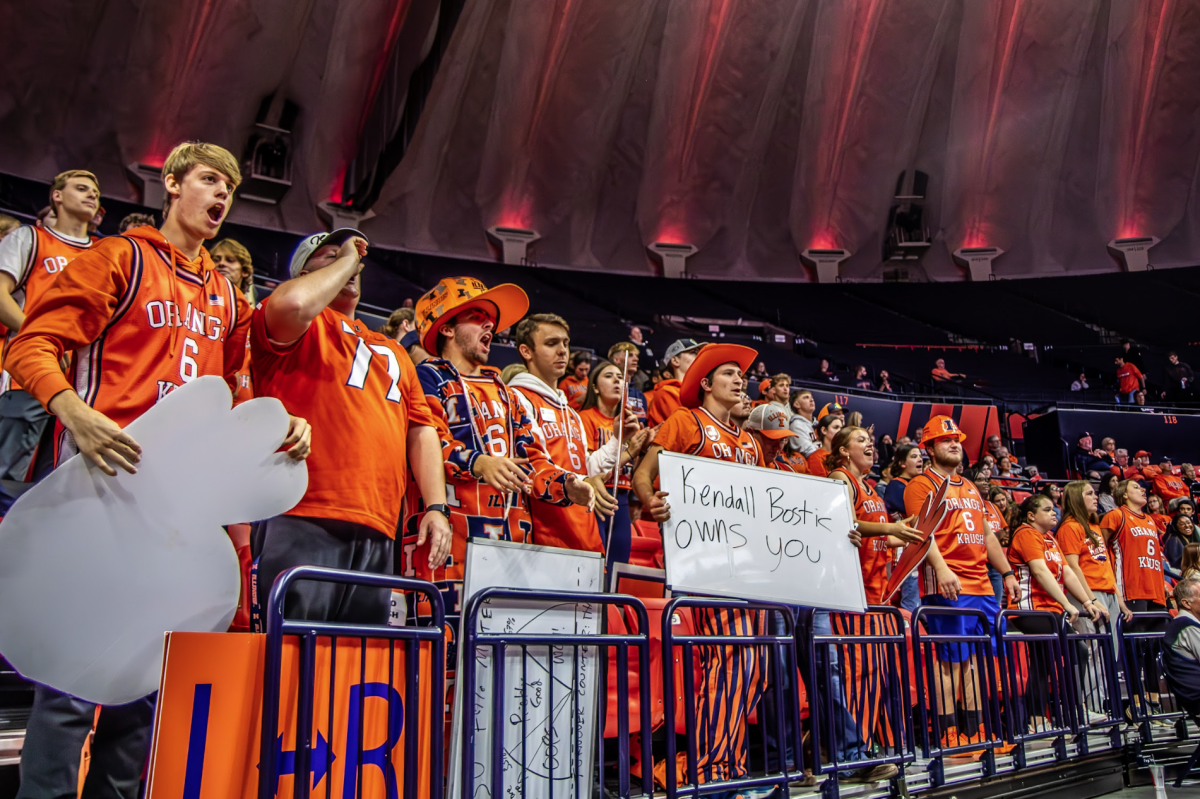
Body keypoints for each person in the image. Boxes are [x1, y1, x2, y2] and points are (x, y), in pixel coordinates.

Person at [6, 142, 311, 799]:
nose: (221, 195)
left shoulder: (228, 297)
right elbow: (31, 341)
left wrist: (280, 430)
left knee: (140, 693)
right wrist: (72, 410)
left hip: (173, 517)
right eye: (208, 180)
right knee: (69, 689)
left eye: (229, 187)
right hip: (97, 500)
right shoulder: (119, 258)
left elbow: (236, 395)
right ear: (171, 184)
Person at [251, 229, 447, 625]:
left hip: (378, 524)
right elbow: (294, 302)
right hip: (303, 513)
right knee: (290, 660)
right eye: (328, 257)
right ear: (305, 273)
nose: (349, 264)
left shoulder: (392, 349)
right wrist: (345, 259)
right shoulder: (296, 319)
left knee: (354, 666)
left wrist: (436, 507)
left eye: (352, 260)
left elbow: (421, 429)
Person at [407, 277, 595, 632]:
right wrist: (477, 462)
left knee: (497, 663)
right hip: (447, 543)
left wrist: (568, 486)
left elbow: (534, 462)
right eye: (476, 316)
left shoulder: (506, 393)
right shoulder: (427, 377)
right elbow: (423, 442)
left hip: (510, 548)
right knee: (441, 657)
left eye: (489, 319)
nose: (490, 324)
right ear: (446, 328)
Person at [632, 343, 771, 787]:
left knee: (754, 666)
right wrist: (647, 499)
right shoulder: (685, 421)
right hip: (704, 563)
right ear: (707, 383)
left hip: (748, 566)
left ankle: (727, 763)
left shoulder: (750, 441)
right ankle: (711, 767)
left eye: (742, 375)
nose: (739, 380)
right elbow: (642, 473)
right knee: (735, 659)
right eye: (729, 373)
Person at [904, 416, 1020, 748]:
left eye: (956, 439)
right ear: (928, 448)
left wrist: (1008, 573)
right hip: (948, 586)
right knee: (948, 660)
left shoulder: (969, 486)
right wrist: (941, 569)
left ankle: (975, 730)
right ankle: (948, 733)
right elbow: (920, 532)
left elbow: (987, 535)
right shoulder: (921, 484)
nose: (954, 444)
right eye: (945, 440)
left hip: (982, 584)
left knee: (976, 660)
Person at [821, 425, 923, 784]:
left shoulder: (872, 488)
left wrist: (905, 530)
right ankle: (853, 758)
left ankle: (860, 750)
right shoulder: (839, 477)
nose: (870, 446)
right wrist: (891, 531)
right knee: (856, 676)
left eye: (870, 440)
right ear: (843, 450)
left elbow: (876, 537)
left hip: (877, 595)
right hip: (853, 593)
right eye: (861, 440)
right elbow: (843, 523)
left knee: (873, 676)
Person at [0, 170, 101, 487]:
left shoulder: (105, 252)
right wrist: (44, 338)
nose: (92, 196)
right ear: (56, 196)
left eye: (95, 192)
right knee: (6, 476)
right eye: (82, 188)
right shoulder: (29, 238)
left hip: (82, 389)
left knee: (54, 487)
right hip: (28, 378)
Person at [509, 313, 615, 556]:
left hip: (586, 537)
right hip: (544, 540)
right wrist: (572, 485)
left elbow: (585, 469)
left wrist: (621, 441)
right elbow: (531, 467)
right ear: (526, 351)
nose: (562, 351)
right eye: (551, 343)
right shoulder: (517, 398)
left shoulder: (571, 412)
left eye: (565, 343)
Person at [1007, 494, 1103, 729]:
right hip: (1029, 608)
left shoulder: (1049, 537)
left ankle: (1052, 716)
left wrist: (1088, 600)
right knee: (1073, 650)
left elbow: (1067, 572)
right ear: (1032, 515)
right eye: (1048, 509)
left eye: (1054, 509)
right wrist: (1068, 605)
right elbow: (1040, 571)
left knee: (1045, 661)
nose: (1054, 513)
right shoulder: (1025, 533)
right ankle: (1066, 712)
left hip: (1050, 610)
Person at [578, 360, 655, 577]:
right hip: (596, 497)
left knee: (618, 570)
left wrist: (644, 448)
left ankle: (613, 611)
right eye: (609, 376)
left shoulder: (630, 423)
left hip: (622, 497)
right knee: (595, 568)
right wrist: (630, 452)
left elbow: (633, 468)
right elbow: (590, 468)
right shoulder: (585, 418)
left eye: (620, 377)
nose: (616, 381)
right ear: (594, 386)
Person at [1102, 479, 1169, 718]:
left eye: (1142, 488)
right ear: (1123, 495)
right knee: (1134, 647)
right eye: (1135, 488)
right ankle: (1136, 702)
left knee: (1153, 648)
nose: (1142, 490)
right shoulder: (1116, 515)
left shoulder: (1150, 520)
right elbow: (1100, 548)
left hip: (1155, 592)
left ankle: (1153, 702)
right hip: (1131, 589)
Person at [647, 338, 702, 425]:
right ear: (675, 361)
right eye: (693, 353)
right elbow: (687, 428)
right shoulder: (666, 393)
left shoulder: (700, 391)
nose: (699, 357)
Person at [608, 341, 649, 425]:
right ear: (616, 359)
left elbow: (643, 423)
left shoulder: (639, 394)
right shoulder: (609, 391)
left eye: (636, 356)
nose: (636, 359)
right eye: (630, 355)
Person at [806, 413, 843, 477]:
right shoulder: (815, 458)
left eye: (841, 428)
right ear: (824, 430)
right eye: (836, 427)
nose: (840, 431)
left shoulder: (842, 455)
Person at [787, 388, 818, 458]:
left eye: (812, 397)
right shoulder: (796, 425)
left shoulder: (818, 424)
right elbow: (809, 452)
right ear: (796, 404)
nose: (811, 400)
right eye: (806, 397)